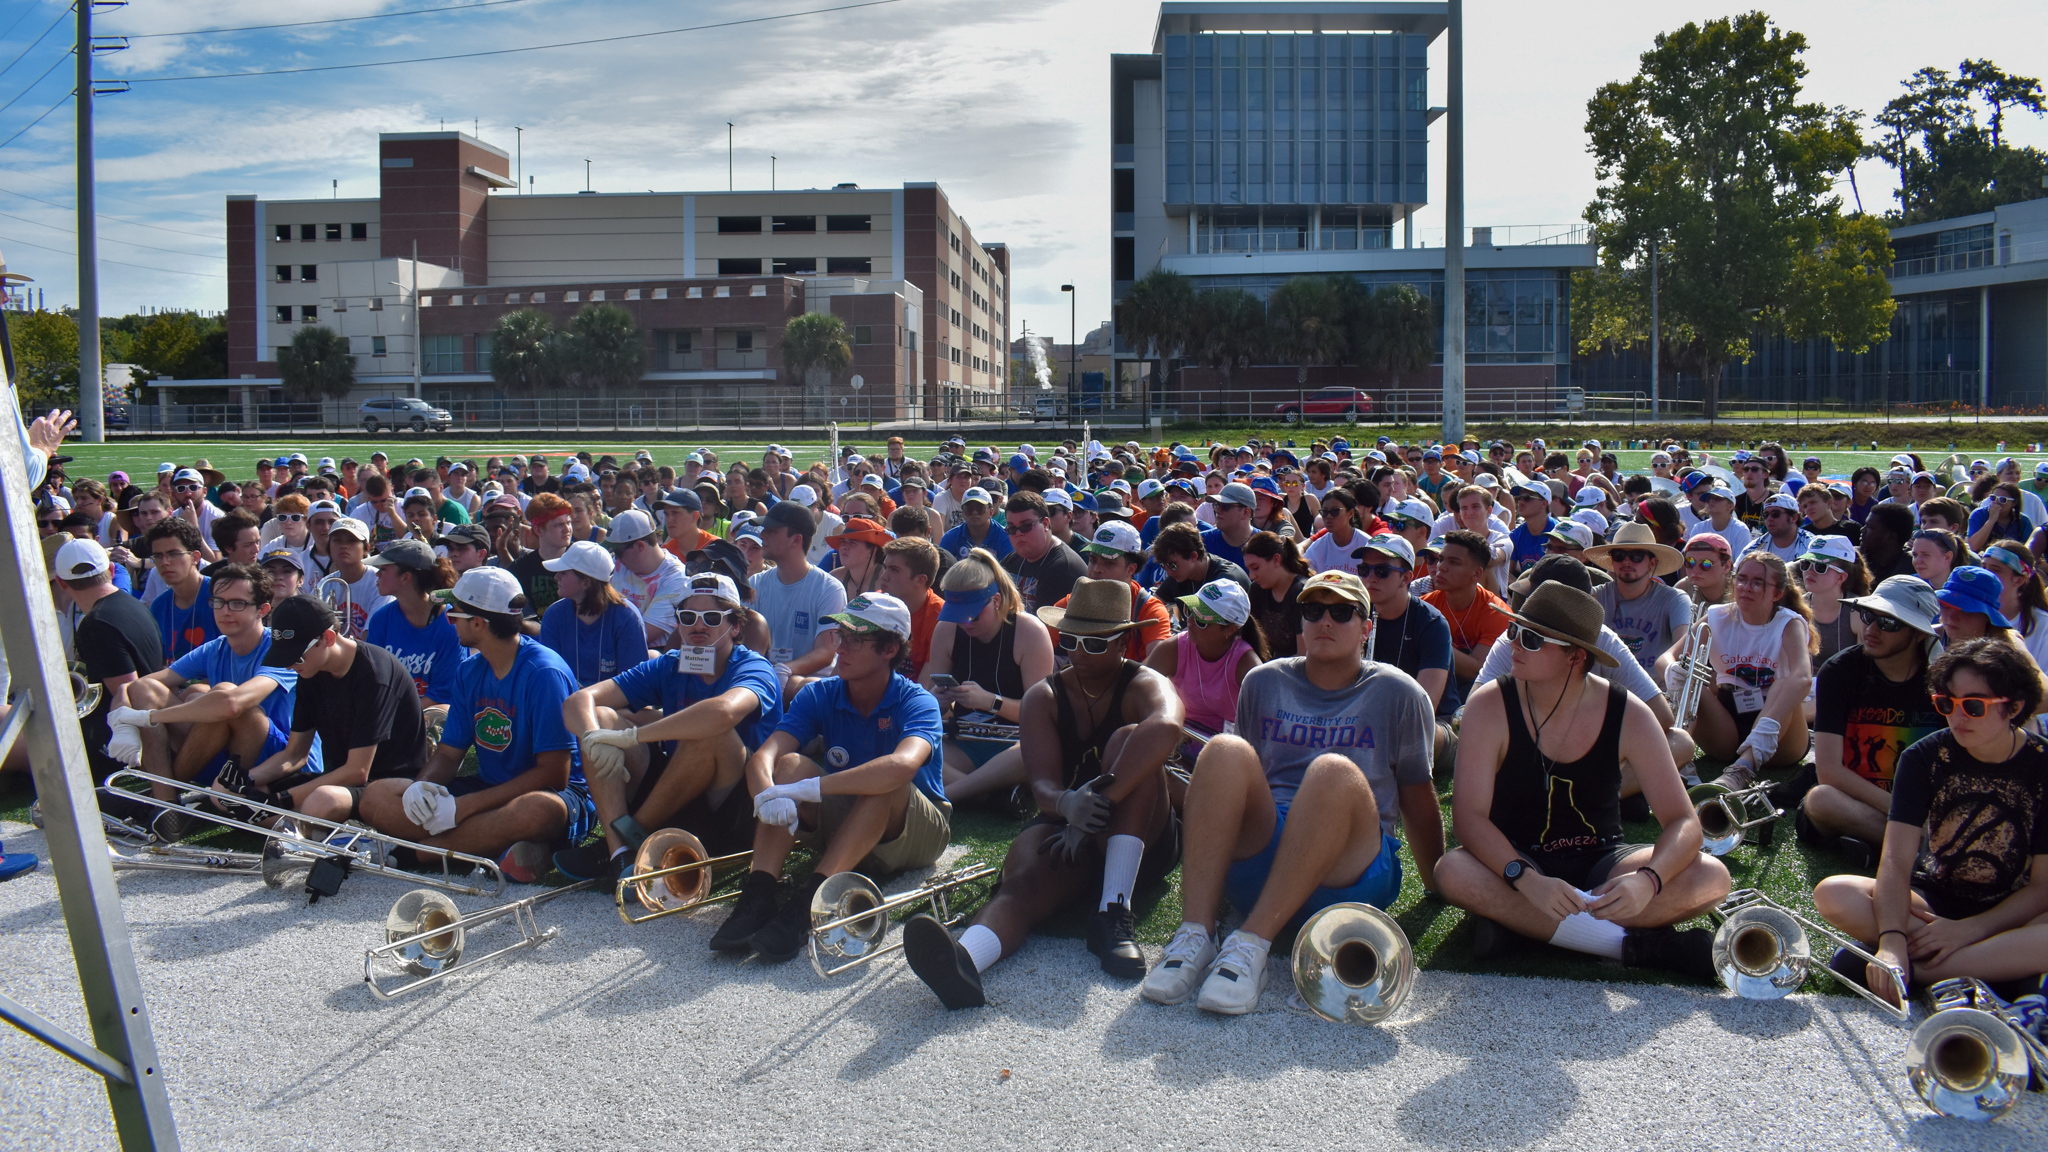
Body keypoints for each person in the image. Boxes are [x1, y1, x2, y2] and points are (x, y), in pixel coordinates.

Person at [1139, 570, 1446, 1014]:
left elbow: (1417, 792)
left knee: (1332, 769)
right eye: (1312, 610)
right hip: (1266, 854)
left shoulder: (1400, 692)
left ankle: (1252, 943)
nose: (1325, 621)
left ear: (1367, 628)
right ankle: (1195, 934)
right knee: (1224, 749)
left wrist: (1435, 879)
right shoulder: (1264, 681)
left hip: (1350, 868)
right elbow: (1245, 781)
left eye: (1342, 612)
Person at [905, 580, 1188, 1007]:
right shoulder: (1046, 696)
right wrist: (1067, 805)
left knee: (1130, 740)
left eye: (1093, 644)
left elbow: (1168, 726)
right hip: (1071, 826)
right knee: (1024, 875)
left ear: (1123, 642)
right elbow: (1042, 788)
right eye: (1070, 640)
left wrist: (1100, 803)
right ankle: (965, 960)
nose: (1077, 653)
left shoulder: (1143, 683)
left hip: (1142, 835)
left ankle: (1114, 909)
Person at [1436, 581, 1732, 977]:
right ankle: (1628, 947)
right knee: (1451, 871)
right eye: (1513, 632)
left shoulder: (1629, 713)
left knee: (1712, 876)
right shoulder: (1489, 704)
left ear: (1575, 656)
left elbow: (1683, 822)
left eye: (1531, 638)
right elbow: (1469, 818)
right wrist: (1523, 877)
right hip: (1515, 858)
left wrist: (1649, 881)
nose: (1513, 645)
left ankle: (1523, 929)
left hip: (1603, 862)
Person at [708, 593, 952, 961]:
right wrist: (765, 795)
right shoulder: (821, 692)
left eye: (855, 640)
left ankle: (807, 903)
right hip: (851, 817)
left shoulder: (918, 700)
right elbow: (766, 756)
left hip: (915, 832)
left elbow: (902, 767)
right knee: (788, 767)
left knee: (886, 781)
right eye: (840, 636)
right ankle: (758, 893)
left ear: (889, 648)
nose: (841, 648)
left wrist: (810, 788)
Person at [1812, 638, 2048, 1009]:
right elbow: (1894, 861)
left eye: (1973, 705)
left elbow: (2041, 888)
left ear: (2015, 707)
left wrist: (1967, 931)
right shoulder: (1923, 756)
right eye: (1946, 704)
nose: (1957, 716)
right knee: (1834, 892)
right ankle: (1995, 971)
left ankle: (1924, 971)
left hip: (2011, 911)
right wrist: (1890, 940)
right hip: (1931, 901)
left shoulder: (2043, 766)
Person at [357, 568, 595, 875]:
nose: (448, 619)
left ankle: (424, 854)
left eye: (454, 614)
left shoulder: (544, 673)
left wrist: (463, 808)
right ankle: (479, 846)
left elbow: (554, 775)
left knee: (536, 812)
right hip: (490, 789)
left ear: (479, 624)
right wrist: (423, 787)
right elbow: (447, 754)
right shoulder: (469, 670)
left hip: (555, 796)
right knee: (376, 797)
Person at [556, 572, 784, 881]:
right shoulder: (672, 662)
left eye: (712, 617)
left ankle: (630, 836)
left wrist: (633, 736)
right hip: (678, 790)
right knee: (602, 720)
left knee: (710, 733)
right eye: (688, 616)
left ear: (736, 626)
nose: (698, 626)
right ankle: (618, 855)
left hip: (734, 807)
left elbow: (722, 714)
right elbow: (578, 701)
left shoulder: (754, 666)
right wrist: (595, 738)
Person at [103, 564, 322, 832]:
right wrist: (121, 722)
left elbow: (233, 704)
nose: (225, 611)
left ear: (263, 610)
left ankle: (160, 797)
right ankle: (167, 806)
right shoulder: (215, 648)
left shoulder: (280, 651)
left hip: (285, 762)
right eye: (219, 602)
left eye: (238, 603)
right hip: (231, 752)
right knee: (146, 690)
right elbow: (136, 687)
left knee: (223, 696)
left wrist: (148, 717)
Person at [241, 594, 431, 825]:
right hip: (338, 780)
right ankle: (285, 821)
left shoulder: (374, 675)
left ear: (328, 638)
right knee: (228, 792)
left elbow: (358, 771)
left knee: (322, 801)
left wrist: (282, 799)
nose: (291, 665)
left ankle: (274, 819)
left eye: (296, 656)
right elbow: (295, 754)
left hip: (384, 785)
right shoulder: (311, 670)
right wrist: (246, 780)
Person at [1801, 576, 1944, 862]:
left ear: (1918, 633)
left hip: (1922, 805)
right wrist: (1904, 813)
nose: (1872, 629)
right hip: (1858, 800)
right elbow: (1829, 772)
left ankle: (1878, 846)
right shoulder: (1839, 672)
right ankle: (1921, 853)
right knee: (1820, 800)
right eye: (1868, 615)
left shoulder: (1942, 682)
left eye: (1889, 622)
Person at [0, 541, 162, 784]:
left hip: (104, 749)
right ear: (109, 569)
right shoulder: (132, 606)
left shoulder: (96, 624)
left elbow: (128, 693)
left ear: (63, 583)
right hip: (117, 733)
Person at [923, 550, 1055, 804]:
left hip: (1014, 746)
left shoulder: (1029, 631)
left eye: (972, 614)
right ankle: (992, 795)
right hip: (963, 742)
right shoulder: (947, 629)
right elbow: (932, 708)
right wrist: (936, 700)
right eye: (957, 615)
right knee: (913, 750)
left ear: (996, 600)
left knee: (1032, 752)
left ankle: (952, 795)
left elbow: (1040, 716)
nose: (966, 623)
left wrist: (991, 701)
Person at [1690, 553, 1815, 791]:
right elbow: (1667, 659)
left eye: (1758, 583)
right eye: (1742, 579)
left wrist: (1766, 728)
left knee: (1785, 678)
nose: (1746, 587)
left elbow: (1802, 677)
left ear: (1777, 594)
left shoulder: (1790, 623)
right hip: (1726, 727)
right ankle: (1675, 755)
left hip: (1781, 732)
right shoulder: (1717, 616)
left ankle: (1742, 769)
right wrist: (1676, 671)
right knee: (1688, 674)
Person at [1355, 534, 1458, 759]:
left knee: (1410, 736)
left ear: (1406, 578)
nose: (1370, 578)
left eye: (1381, 571)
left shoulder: (1432, 623)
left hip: (1435, 723)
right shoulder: (1355, 614)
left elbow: (1425, 706)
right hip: (1370, 719)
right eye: (1364, 570)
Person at [1145, 577, 1265, 745]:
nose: (1190, 621)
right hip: (1177, 737)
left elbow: (1262, 725)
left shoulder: (1247, 664)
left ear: (1230, 629)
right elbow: (1138, 688)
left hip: (1225, 748)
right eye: (1190, 610)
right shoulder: (1174, 648)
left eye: (1202, 619)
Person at [748, 501, 847, 693]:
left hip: (810, 690)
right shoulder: (756, 584)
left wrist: (785, 670)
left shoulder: (829, 588)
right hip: (765, 683)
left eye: (771, 530)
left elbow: (826, 652)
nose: (762, 535)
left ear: (796, 540)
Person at [362, 540, 463, 725]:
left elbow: (442, 694)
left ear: (405, 578)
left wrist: (394, 717)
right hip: (388, 716)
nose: (377, 574)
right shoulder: (381, 619)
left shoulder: (450, 624)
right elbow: (372, 680)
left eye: (383, 569)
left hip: (430, 720)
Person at [1587, 523, 1692, 682]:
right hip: (1605, 694)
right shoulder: (1594, 597)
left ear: (1652, 563)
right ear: (1612, 561)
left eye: (1636, 556)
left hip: (1657, 694)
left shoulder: (1675, 599)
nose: (1627, 561)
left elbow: (1683, 651)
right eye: (1619, 555)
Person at [538, 541, 650, 689]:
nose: (556, 577)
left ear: (586, 582)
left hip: (614, 708)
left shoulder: (627, 618)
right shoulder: (554, 615)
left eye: (564, 572)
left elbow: (634, 687)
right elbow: (549, 678)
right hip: (565, 703)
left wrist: (588, 701)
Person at [1423, 529, 1511, 702]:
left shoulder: (1498, 613)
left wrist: (1430, 640)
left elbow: (1477, 669)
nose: (1441, 567)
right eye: (1440, 559)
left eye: (1454, 562)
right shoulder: (1425, 606)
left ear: (1477, 573)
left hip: (1480, 699)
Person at [606, 508, 691, 648]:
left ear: (640, 546)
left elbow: (641, 635)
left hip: (650, 657)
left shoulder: (676, 578)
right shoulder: (618, 563)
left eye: (618, 552)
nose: (616, 558)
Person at [143, 517, 220, 661]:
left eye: (174, 554)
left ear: (195, 557)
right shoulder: (159, 606)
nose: (165, 562)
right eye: (158, 556)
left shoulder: (220, 597)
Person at [999, 491, 1087, 614]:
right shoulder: (1011, 561)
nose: (1018, 533)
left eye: (1026, 526)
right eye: (1012, 528)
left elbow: (1047, 628)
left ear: (1045, 523)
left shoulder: (1065, 569)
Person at [875, 535, 945, 679]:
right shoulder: (875, 603)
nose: (884, 577)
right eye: (885, 567)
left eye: (894, 570)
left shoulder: (940, 617)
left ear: (920, 580)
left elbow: (924, 691)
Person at [1797, 534, 1869, 672]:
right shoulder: (1796, 606)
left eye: (1820, 566)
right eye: (1806, 564)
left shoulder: (1858, 611)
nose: (1809, 571)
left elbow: (1863, 668)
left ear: (1841, 577)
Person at [506, 492, 574, 618]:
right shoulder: (520, 569)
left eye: (568, 522)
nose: (567, 529)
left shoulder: (583, 558)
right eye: (559, 525)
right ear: (538, 530)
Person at [1242, 531, 1309, 659]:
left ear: (1276, 560)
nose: (1251, 576)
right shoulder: (1257, 589)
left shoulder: (1302, 593)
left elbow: (1303, 655)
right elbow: (1250, 640)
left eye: (1255, 567)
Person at [938, 486, 1011, 561]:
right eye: (969, 509)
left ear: (991, 512)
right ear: (962, 513)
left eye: (980, 508)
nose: (974, 512)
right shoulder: (950, 538)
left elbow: (1010, 571)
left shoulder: (1005, 537)